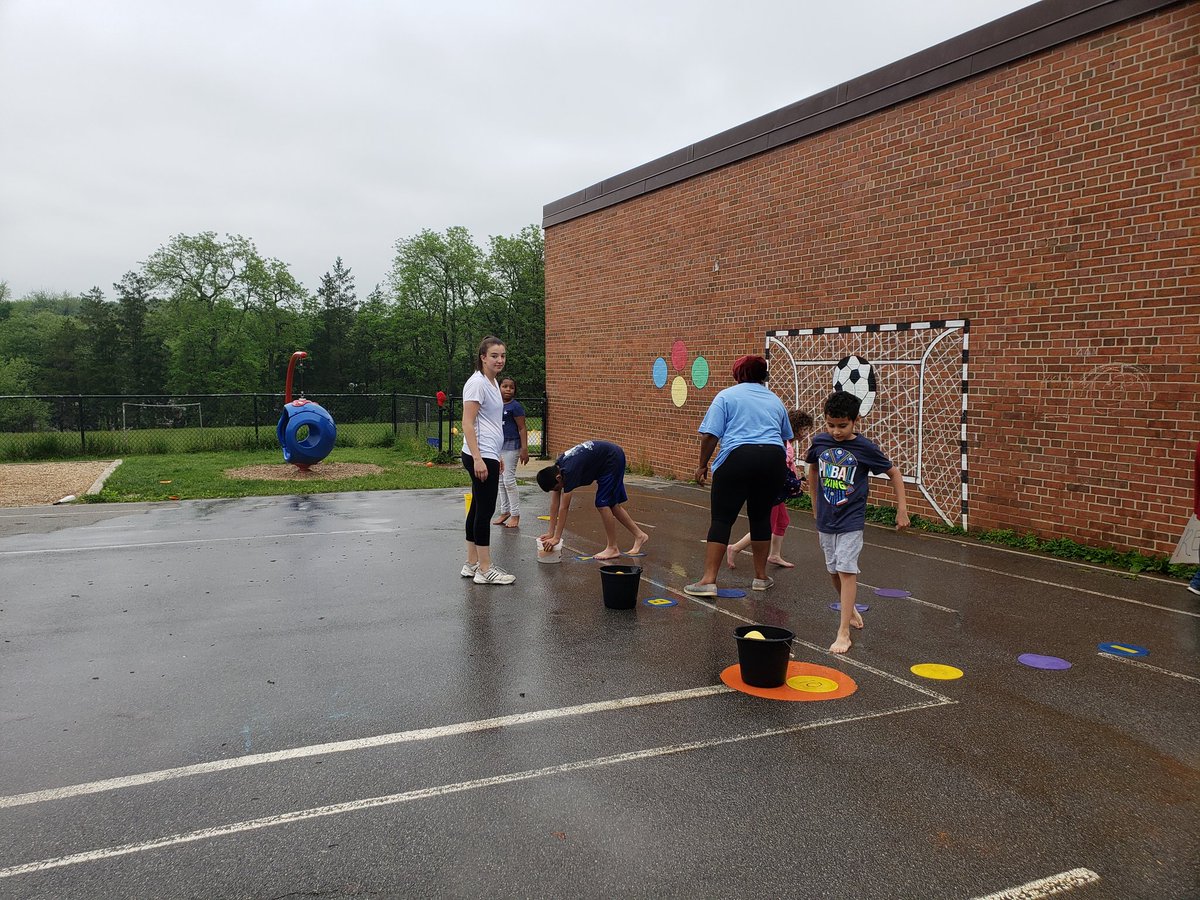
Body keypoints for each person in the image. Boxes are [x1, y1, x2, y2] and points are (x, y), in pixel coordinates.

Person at [805, 390, 910, 653]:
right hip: (827, 519)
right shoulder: (820, 443)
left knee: (846, 570)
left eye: (842, 426)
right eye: (831, 425)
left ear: (855, 422)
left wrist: (902, 509)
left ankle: (843, 632)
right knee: (833, 570)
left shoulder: (864, 448)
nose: (836, 431)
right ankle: (849, 610)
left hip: (851, 519)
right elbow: (813, 469)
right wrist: (814, 504)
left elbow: (894, 473)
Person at [685, 355, 793, 598]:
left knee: (722, 519)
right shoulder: (775, 400)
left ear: (738, 373)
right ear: (763, 375)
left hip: (738, 457)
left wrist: (702, 465)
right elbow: (786, 437)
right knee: (761, 517)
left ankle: (708, 580)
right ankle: (761, 578)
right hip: (773, 458)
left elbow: (710, 435)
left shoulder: (726, 396)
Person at [726, 409, 814, 571]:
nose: (805, 434)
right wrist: (794, 483)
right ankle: (735, 548)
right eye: (804, 429)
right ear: (795, 427)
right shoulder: (781, 444)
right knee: (765, 526)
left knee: (782, 521)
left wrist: (796, 474)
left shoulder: (786, 444)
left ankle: (775, 554)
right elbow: (779, 469)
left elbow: (787, 466)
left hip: (777, 490)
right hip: (770, 490)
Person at [460, 336, 515, 585]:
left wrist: (497, 455)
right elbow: (467, 424)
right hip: (479, 454)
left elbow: (490, 423)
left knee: (476, 508)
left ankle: (472, 563)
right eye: (494, 355)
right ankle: (484, 568)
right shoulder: (477, 384)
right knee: (485, 510)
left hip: (488, 454)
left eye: (502, 355)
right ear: (483, 357)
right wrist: (479, 459)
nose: (499, 360)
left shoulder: (493, 383)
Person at [536, 440, 649, 561]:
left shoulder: (569, 471)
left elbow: (564, 507)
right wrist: (551, 533)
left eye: (558, 488)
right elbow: (555, 504)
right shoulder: (558, 468)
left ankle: (612, 548)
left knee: (602, 504)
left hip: (612, 460)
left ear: (558, 478)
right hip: (606, 460)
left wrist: (557, 538)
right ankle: (640, 535)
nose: (560, 489)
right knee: (612, 505)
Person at [492, 376, 529, 529]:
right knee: (500, 480)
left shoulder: (515, 407)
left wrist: (524, 449)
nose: (508, 389)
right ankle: (505, 511)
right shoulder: (495, 404)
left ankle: (515, 514)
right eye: (504, 386)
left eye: (511, 387)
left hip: (512, 446)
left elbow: (522, 428)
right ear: (499, 387)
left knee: (508, 479)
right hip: (497, 446)